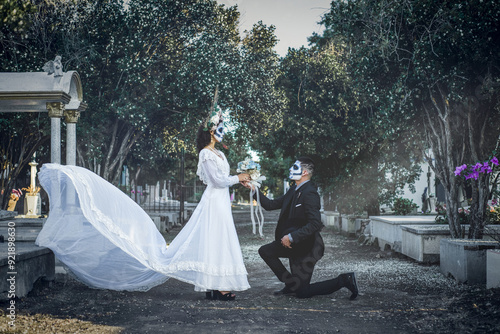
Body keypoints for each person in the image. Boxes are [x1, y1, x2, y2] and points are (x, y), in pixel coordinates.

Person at [36, 107, 250, 301]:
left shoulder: (220, 153)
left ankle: (214, 284)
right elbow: (217, 180)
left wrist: (243, 181)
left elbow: (225, 178)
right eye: (220, 127)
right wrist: (237, 178)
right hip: (213, 201)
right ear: (212, 130)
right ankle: (216, 286)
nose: (223, 130)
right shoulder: (205, 153)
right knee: (214, 239)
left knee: (219, 239)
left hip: (221, 201)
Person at [243, 157, 359, 299]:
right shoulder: (294, 189)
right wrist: (254, 189)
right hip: (293, 245)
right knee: (265, 251)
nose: (291, 169)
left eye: (294, 167)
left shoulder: (310, 193)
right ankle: (291, 284)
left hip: (308, 248)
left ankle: (344, 280)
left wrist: (292, 237)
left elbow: (315, 223)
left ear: (304, 172)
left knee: (302, 293)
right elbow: (270, 205)